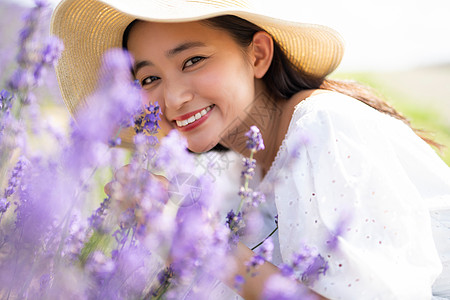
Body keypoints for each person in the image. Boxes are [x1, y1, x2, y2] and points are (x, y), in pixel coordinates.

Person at [50, 0, 450, 299]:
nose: (173, 98)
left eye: (193, 61)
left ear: (257, 54)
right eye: (149, 78)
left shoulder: (325, 125)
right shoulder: (232, 168)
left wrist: (195, 241)